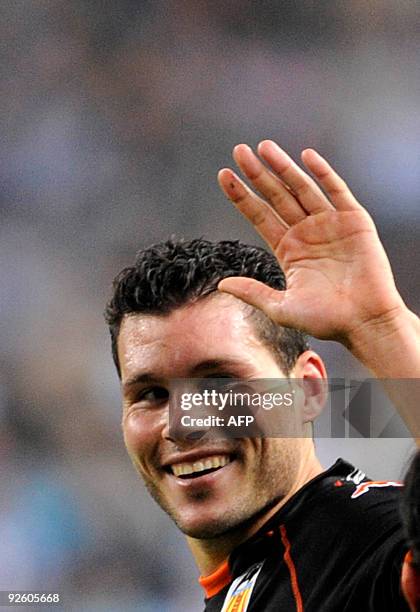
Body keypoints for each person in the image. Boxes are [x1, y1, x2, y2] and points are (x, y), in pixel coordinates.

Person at [105, 140, 420, 610]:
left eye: (218, 382)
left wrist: (382, 328)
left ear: (309, 389)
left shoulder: (374, 545)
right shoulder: (253, 581)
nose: (181, 423)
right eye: (150, 393)